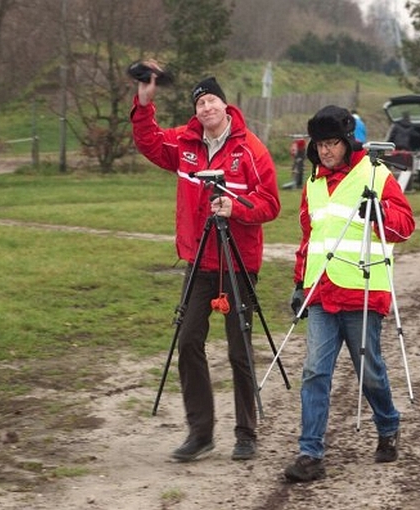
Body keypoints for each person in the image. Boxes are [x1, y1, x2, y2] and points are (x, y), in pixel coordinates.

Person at [130, 63, 281, 463]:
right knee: (188, 340)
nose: (205, 108)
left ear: (225, 105)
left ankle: (246, 433)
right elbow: (148, 143)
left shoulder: (251, 149)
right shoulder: (184, 144)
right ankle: (200, 432)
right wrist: (144, 104)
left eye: (211, 99)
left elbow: (271, 205)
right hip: (199, 259)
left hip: (238, 260)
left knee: (239, 349)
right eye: (199, 102)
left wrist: (236, 207)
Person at [283, 105, 415, 483]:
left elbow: (405, 226)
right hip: (322, 293)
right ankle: (311, 454)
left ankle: (388, 424)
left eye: (332, 143)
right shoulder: (312, 184)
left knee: (369, 371)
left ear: (346, 142)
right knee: (314, 371)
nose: (325, 151)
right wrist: (299, 284)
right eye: (320, 144)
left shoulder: (374, 173)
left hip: (362, 291)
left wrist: (380, 214)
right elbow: (310, 238)